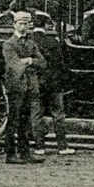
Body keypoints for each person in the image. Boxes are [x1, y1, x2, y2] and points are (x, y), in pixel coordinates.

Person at [1, 11, 47, 164]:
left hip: (30, 86)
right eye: (20, 23)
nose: (23, 26)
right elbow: (14, 66)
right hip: (16, 86)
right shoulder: (8, 44)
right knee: (13, 120)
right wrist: (30, 62)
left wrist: (28, 60)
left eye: (26, 24)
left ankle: (25, 152)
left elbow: (43, 63)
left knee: (25, 121)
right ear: (14, 25)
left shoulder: (31, 43)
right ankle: (10, 154)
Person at [30, 10, 73, 156]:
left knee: (37, 114)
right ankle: (62, 147)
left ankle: (39, 147)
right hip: (53, 83)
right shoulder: (52, 42)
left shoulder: (29, 42)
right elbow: (60, 65)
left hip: (36, 83)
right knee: (58, 114)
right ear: (45, 24)